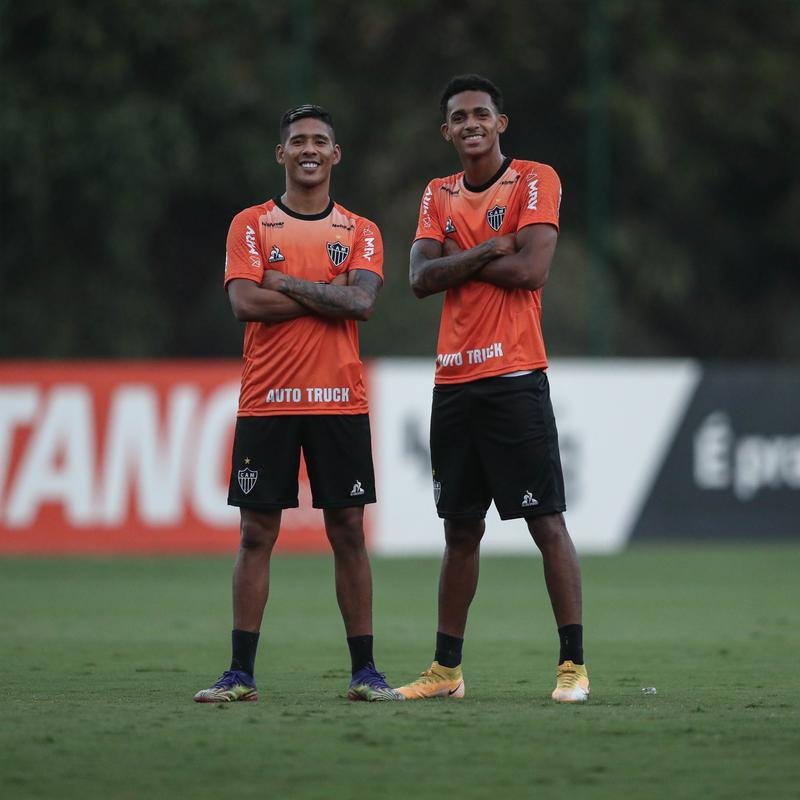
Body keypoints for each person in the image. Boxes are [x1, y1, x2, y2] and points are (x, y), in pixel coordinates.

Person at [194, 104, 400, 703]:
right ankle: (240, 673)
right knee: (256, 534)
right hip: (269, 400)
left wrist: (283, 282)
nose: (309, 149)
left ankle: (365, 672)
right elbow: (245, 304)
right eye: (299, 141)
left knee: (348, 531)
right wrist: (326, 295)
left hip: (339, 400)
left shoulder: (360, 230)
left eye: (320, 141)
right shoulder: (250, 224)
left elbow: (361, 304)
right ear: (281, 153)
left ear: (336, 155)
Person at [396, 75, 589, 703]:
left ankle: (573, 666)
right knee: (459, 532)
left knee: (546, 523)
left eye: (481, 113)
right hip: (453, 382)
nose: (471, 123)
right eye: (459, 117)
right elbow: (419, 278)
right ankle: (446, 671)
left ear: (500, 123)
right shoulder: (438, 192)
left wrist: (459, 256)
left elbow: (532, 270)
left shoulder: (534, 178)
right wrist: (488, 250)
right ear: (446, 131)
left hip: (514, 378)